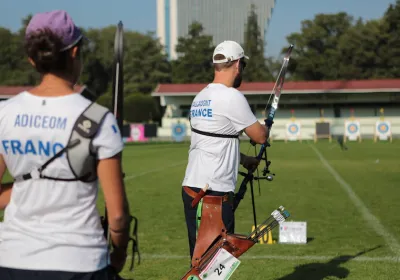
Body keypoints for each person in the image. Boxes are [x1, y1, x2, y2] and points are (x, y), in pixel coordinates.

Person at [0, 10, 131, 280]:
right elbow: (117, 216)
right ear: (74, 53)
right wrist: (118, 255)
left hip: (12, 260)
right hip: (80, 261)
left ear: (31, 58)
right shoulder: (98, 118)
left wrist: (32, 186)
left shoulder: (5, 112)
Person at [181, 40, 270, 261]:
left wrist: (243, 159)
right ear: (238, 64)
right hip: (214, 194)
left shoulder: (200, 97)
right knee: (215, 265)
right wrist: (267, 126)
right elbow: (259, 136)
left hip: (193, 189)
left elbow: (210, 141)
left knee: (200, 261)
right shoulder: (232, 97)